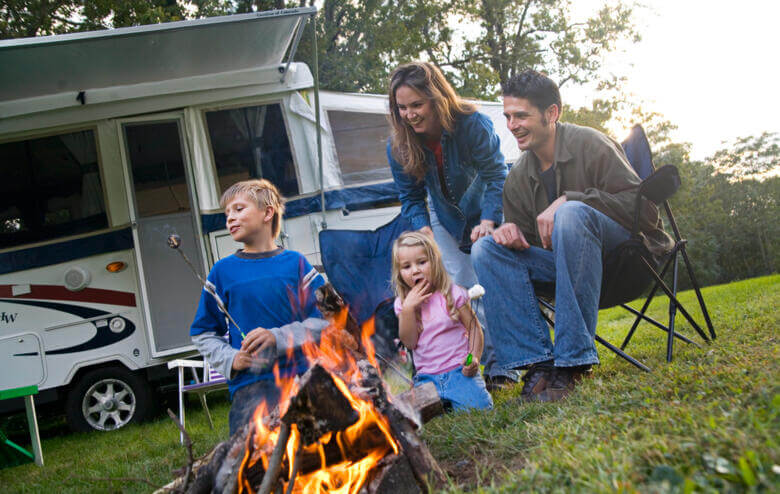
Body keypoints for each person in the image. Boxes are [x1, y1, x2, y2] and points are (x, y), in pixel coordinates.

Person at [471, 70, 673, 403]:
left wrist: (573, 199)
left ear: (552, 113)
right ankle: (539, 363)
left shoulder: (590, 143)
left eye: (521, 115)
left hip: (625, 262)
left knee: (571, 213)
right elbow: (530, 247)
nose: (512, 125)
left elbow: (646, 212)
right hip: (565, 273)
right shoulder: (518, 177)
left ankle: (572, 363)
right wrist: (510, 233)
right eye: (508, 116)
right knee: (486, 249)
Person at [386, 61, 518, 389]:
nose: (410, 114)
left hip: (486, 207)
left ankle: (506, 369)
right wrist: (422, 230)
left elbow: (496, 175)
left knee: (490, 281)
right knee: (462, 287)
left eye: (417, 105)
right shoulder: (398, 145)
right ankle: (476, 368)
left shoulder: (472, 124)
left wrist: (489, 221)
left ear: (437, 98)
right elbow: (411, 196)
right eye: (402, 108)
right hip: (442, 218)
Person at [190, 179, 329, 435]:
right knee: (253, 458)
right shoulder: (222, 272)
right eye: (227, 213)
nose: (230, 218)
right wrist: (231, 359)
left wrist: (276, 337)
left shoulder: (296, 264)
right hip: (252, 385)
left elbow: (326, 320)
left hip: (303, 376)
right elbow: (202, 333)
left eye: (239, 209)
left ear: (267, 213)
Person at [392, 231, 493, 411]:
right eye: (406, 266)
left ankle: (454, 400)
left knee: (481, 409)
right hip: (426, 378)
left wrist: (475, 357)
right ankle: (445, 404)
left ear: (436, 262)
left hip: (459, 373)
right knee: (411, 417)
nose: (415, 270)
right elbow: (410, 342)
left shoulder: (452, 293)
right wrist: (408, 310)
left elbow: (474, 328)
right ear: (399, 273)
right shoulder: (402, 305)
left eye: (422, 262)